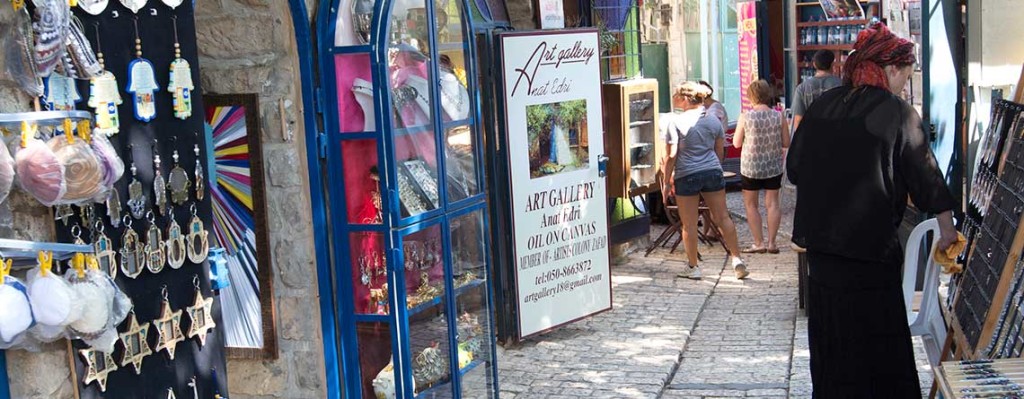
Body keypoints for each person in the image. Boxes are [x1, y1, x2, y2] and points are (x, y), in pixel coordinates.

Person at [786, 23, 958, 398]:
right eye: (905, 77)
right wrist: (947, 230)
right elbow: (926, 177)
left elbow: (795, 169)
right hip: (869, 254)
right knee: (878, 351)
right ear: (890, 70)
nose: (904, 87)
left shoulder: (823, 106)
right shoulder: (897, 112)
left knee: (834, 348)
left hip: (823, 253)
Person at [661, 82, 748, 280]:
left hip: (687, 174)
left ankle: (693, 267)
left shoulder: (675, 122)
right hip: (712, 171)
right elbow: (719, 151)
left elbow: (672, 155)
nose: (674, 97)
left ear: (684, 99)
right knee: (723, 217)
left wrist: (667, 182)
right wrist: (712, 168)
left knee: (689, 224)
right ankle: (737, 259)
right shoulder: (713, 121)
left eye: (676, 94)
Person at [732, 80, 789, 254]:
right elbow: (786, 142)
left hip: (750, 166)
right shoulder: (778, 116)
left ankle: (759, 242)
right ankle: (772, 243)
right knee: (772, 204)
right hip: (772, 165)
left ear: (751, 97)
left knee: (751, 205)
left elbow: (736, 143)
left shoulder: (745, 116)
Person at [792, 50, 842, 131]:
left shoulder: (802, 89)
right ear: (832, 65)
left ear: (814, 65)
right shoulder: (841, 85)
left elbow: (798, 121)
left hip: (811, 137)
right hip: (836, 136)